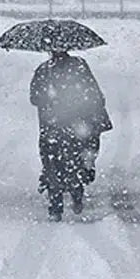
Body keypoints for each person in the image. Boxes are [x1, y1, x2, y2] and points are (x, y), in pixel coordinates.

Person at [30, 49, 112, 220]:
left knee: (52, 164)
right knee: (75, 161)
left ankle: (55, 206)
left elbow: (34, 98)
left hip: (51, 127)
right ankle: (77, 196)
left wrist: (51, 100)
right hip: (76, 125)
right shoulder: (80, 66)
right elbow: (93, 93)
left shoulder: (44, 70)